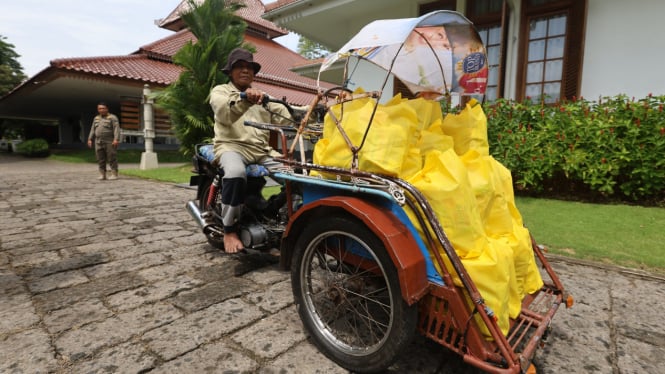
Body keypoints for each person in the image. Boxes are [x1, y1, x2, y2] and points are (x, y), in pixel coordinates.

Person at [209, 48, 295, 253]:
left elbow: (287, 117)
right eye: (239, 67)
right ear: (230, 71)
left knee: (298, 177)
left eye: (249, 67)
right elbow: (223, 113)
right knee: (236, 173)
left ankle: (271, 212)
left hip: (262, 151)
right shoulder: (220, 91)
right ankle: (230, 230)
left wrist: (318, 109)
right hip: (231, 146)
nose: (245, 70)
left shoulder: (263, 97)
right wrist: (244, 99)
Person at [87, 102, 120, 180]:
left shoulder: (112, 117)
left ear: (107, 109)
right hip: (98, 141)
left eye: (103, 108)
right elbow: (92, 129)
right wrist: (89, 139)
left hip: (109, 141)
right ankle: (103, 174)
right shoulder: (96, 118)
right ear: (98, 109)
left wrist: (116, 139)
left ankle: (114, 174)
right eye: (99, 108)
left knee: (111, 157)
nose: (101, 110)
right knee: (100, 158)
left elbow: (116, 129)